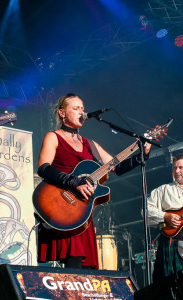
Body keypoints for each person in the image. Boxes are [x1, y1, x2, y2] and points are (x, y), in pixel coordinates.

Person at [36, 93, 151, 269]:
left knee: (87, 270)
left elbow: (117, 167)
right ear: (62, 113)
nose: (81, 112)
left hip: (83, 213)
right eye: (76, 108)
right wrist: (75, 182)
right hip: (63, 205)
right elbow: (43, 168)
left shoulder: (90, 144)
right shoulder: (53, 137)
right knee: (73, 268)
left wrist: (142, 153)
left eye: (82, 108)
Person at [146, 153, 183, 283]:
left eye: (181, 167)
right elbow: (145, 210)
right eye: (175, 168)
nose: (177, 171)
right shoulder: (163, 190)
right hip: (171, 241)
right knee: (170, 284)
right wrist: (165, 216)